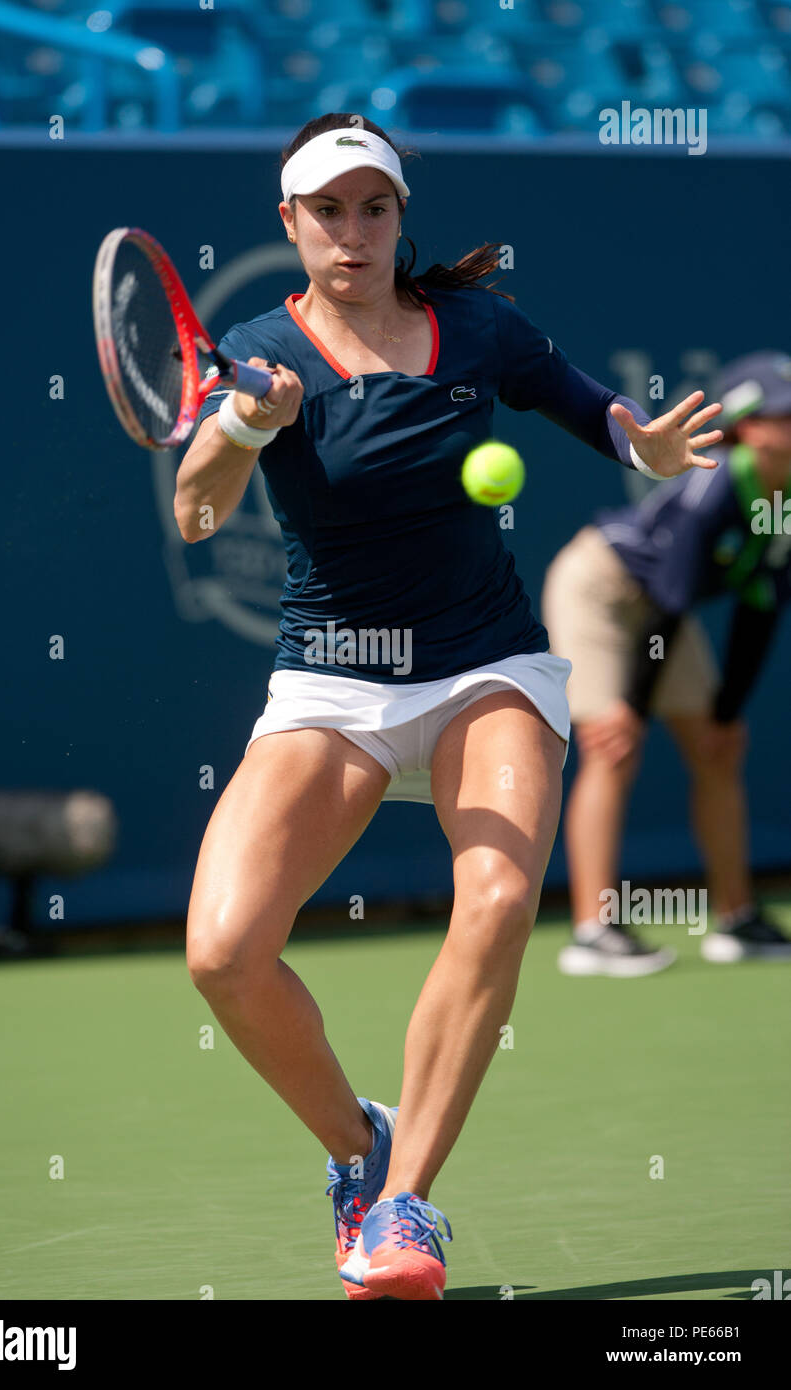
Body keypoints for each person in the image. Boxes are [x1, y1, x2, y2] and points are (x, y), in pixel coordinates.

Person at [174, 113, 724, 1300]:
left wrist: (651, 452)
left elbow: (594, 412)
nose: (354, 232)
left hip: (486, 665)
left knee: (494, 895)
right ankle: (358, 1151)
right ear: (290, 224)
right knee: (222, 952)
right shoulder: (259, 350)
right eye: (328, 211)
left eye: (374, 208)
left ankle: (407, 1207)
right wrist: (242, 422)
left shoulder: (476, 324)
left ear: (398, 217)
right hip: (331, 677)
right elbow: (195, 514)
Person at [542, 352, 791, 978]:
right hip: (601, 590)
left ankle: (737, 919)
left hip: (663, 613)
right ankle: (594, 929)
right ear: (748, 429)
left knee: (718, 748)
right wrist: (628, 706)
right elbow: (670, 607)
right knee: (613, 745)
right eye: (781, 416)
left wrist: (727, 713)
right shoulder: (710, 494)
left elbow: (761, 609)